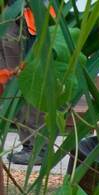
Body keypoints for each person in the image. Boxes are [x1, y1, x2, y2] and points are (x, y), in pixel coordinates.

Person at [0, 6, 45, 165]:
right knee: (11, 82)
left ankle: (39, 147)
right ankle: (28, 144)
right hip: (8, 16)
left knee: (28, 82)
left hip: (27, 16)